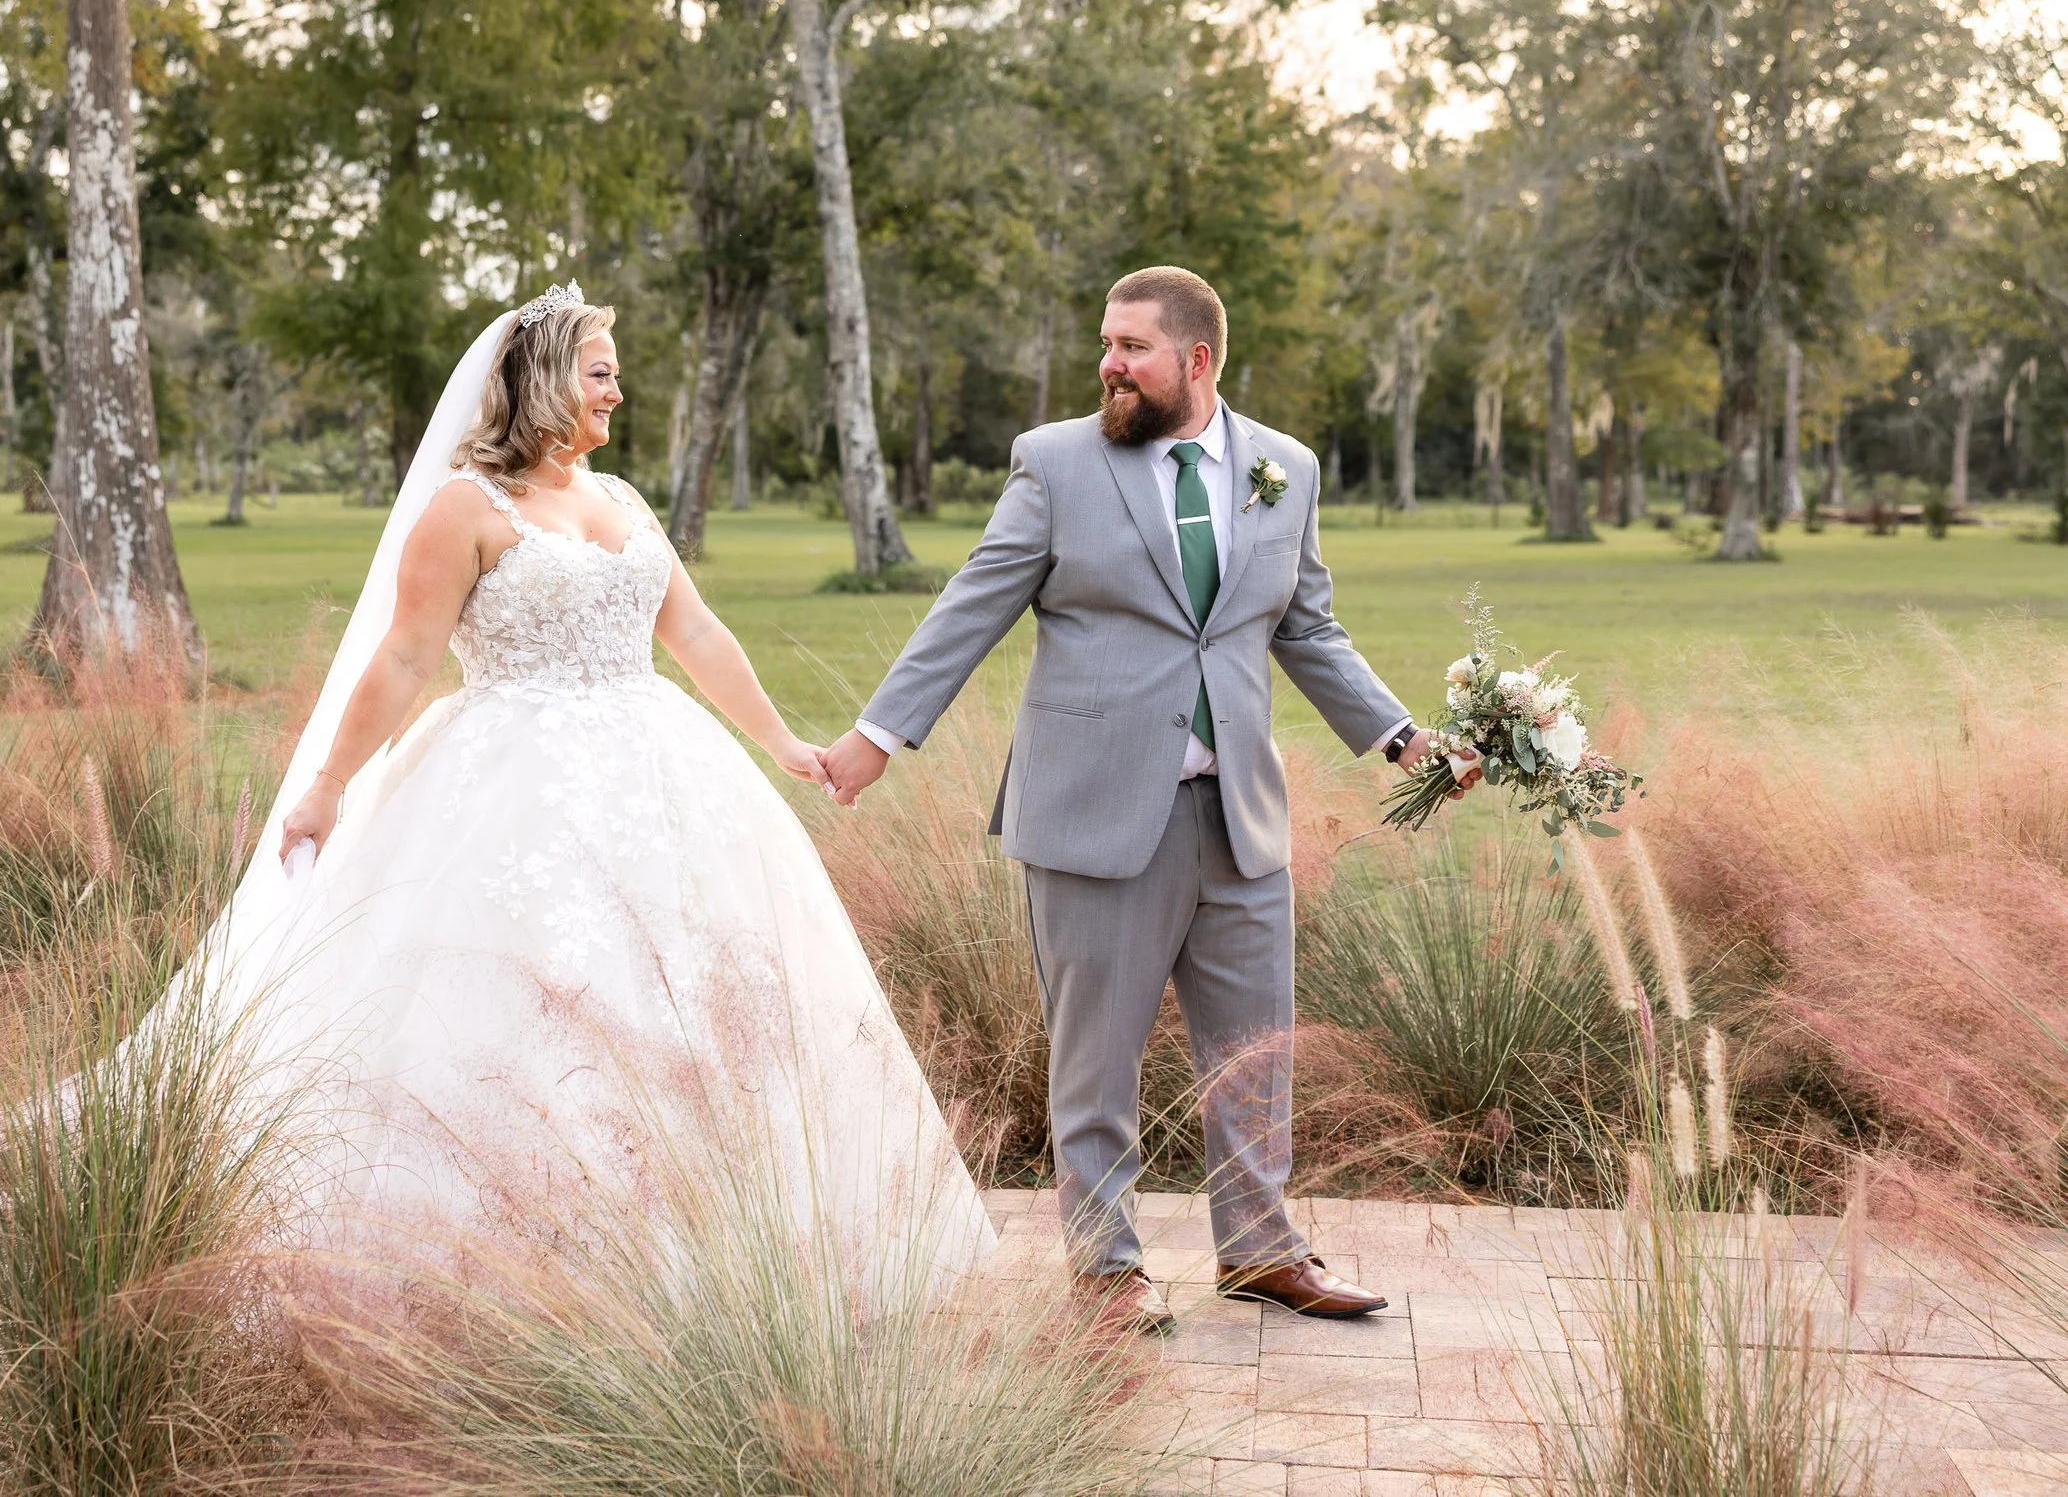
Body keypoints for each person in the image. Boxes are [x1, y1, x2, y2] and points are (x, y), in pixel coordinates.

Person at [207, 285, 989, 1278]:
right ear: (545, 379)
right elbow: (404, 657)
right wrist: (328, 784)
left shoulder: (620, 500)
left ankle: (710, 1245)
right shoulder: (465, 509)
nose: (618, 393)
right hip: (509, 788)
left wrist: (779, 741)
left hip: (659, 772)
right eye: (602, 373)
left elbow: (692, 629)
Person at [820, 265, 1476, 1333]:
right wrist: (879, 735)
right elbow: (974, 600)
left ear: (1197, 359)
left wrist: (1402, 737)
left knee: (1254, 1052)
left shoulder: (1286, 468)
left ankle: (1260, 1252)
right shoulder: (1055, 463)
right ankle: (1104, 1270)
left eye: (1132, 347)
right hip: (1096, 814)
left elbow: (1305, 625)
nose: (1109, 365)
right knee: (1096, 1061)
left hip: (1240, 817)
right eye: (1106, 344)